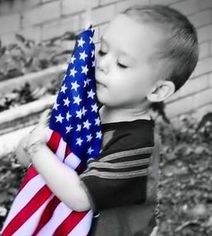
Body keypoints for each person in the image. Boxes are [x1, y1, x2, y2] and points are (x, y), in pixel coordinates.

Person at [16, 4, 198, 235]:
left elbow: (80, 197)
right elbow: (26, 159)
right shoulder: (85, 108)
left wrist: (38, 150)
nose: (102, 64)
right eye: (103, 51)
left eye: (122, 63)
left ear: (158, 90)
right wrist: (34, 143)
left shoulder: (137, 143)